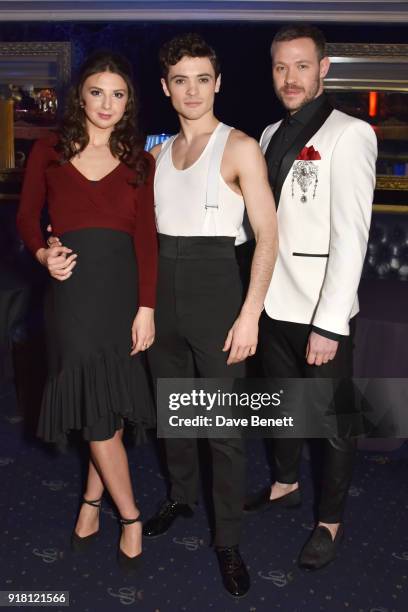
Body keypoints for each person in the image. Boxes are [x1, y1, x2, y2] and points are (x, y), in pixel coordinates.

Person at [143, 33, 278, 597]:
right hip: (161, 291)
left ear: (218, 82)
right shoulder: (153, 155)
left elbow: (269, 239)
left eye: (203, 78)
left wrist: (250, 315)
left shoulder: (241, 147)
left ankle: (227, 539)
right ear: (166, 88)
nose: (192, 89)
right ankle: (180, 494)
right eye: (181, 79)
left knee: (221, 429)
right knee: (174, 409)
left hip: (218, 288)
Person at [16, 51, 158, 573]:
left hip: (122, 294)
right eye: (97, 91)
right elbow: (28, 217)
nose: (107, 103)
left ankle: (90, 504)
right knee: (96, 413)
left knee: (112, 407)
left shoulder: (140, 159)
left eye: (118, 94)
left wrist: (146, 308)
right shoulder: (49, 150)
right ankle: (132, 516)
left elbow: (146, 241)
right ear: (81, 95)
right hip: (72, 294)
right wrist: (42, 254)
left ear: (129, 102)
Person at [244, 24, 377, 570]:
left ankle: (330, 519)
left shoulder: (351, 134)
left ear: (324, 68)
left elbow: (352, 235)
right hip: (272, 302)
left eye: (301, 66)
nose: (289, 78)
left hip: (320, 309)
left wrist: (330, 324)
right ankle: (284, 484)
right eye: (280, 67)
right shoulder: (270, 132)